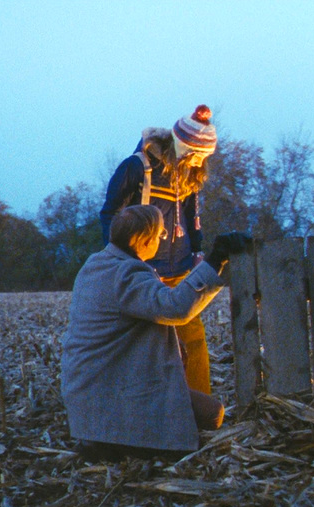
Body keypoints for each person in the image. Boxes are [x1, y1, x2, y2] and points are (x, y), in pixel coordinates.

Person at [62, 205, 251, 461]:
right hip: (114, 398)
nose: (163, 240)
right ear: (143, 239)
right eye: (161, 234)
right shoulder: (126, 272)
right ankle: (120, 443)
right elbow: (174, 308)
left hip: (93, 397)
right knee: (212, 414)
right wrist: (216, 260)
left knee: (200, 410)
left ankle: (105, 441)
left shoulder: (95, 265)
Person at [100, 105, 218, 397]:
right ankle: (138, 405)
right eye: (193, 152)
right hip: (142, 273)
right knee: (141, 345)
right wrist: (121, 259)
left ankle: (199, 407)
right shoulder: (137, 167)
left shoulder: (190, 175)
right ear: (179, 144)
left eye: (202, 156)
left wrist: (198, 251)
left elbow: (192, 217)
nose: (196, 160)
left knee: (193, 341)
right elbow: (110, 214)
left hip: (179, 271)